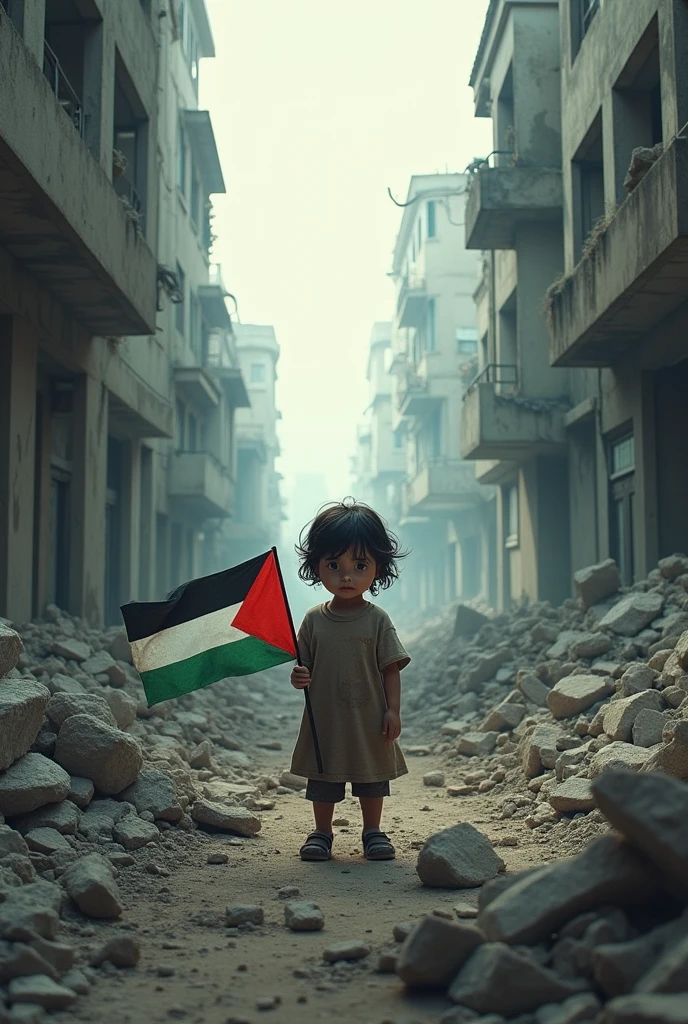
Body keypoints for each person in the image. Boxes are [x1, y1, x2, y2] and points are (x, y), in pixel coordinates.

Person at [289, 498, 411, 862]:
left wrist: (393, 711)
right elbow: (303, 666)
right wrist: (299, 676)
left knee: (372, 778)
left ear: (377, 568)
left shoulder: (377, 619)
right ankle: (321, 833)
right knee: (323, 778)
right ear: (316, 567)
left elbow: (391, 667)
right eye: (334, 565)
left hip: (369, 717)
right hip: (325, 718)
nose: (346, 576)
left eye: (359, 565)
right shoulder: (313, 620)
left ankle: (373, 831)